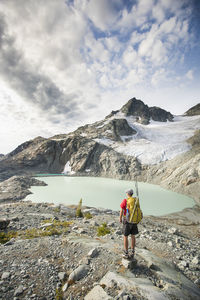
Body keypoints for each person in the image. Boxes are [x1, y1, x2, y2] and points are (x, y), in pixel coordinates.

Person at [120, 189, 139, 259]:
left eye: (126, 193)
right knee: (133, 236)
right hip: (134, 220)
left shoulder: (125, 201)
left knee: (125, 236)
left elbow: (121, 210)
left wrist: (120, 218)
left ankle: (126, 253)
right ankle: (133, 251)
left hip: (127, 221)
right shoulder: (135, 200)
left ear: (128, 194)